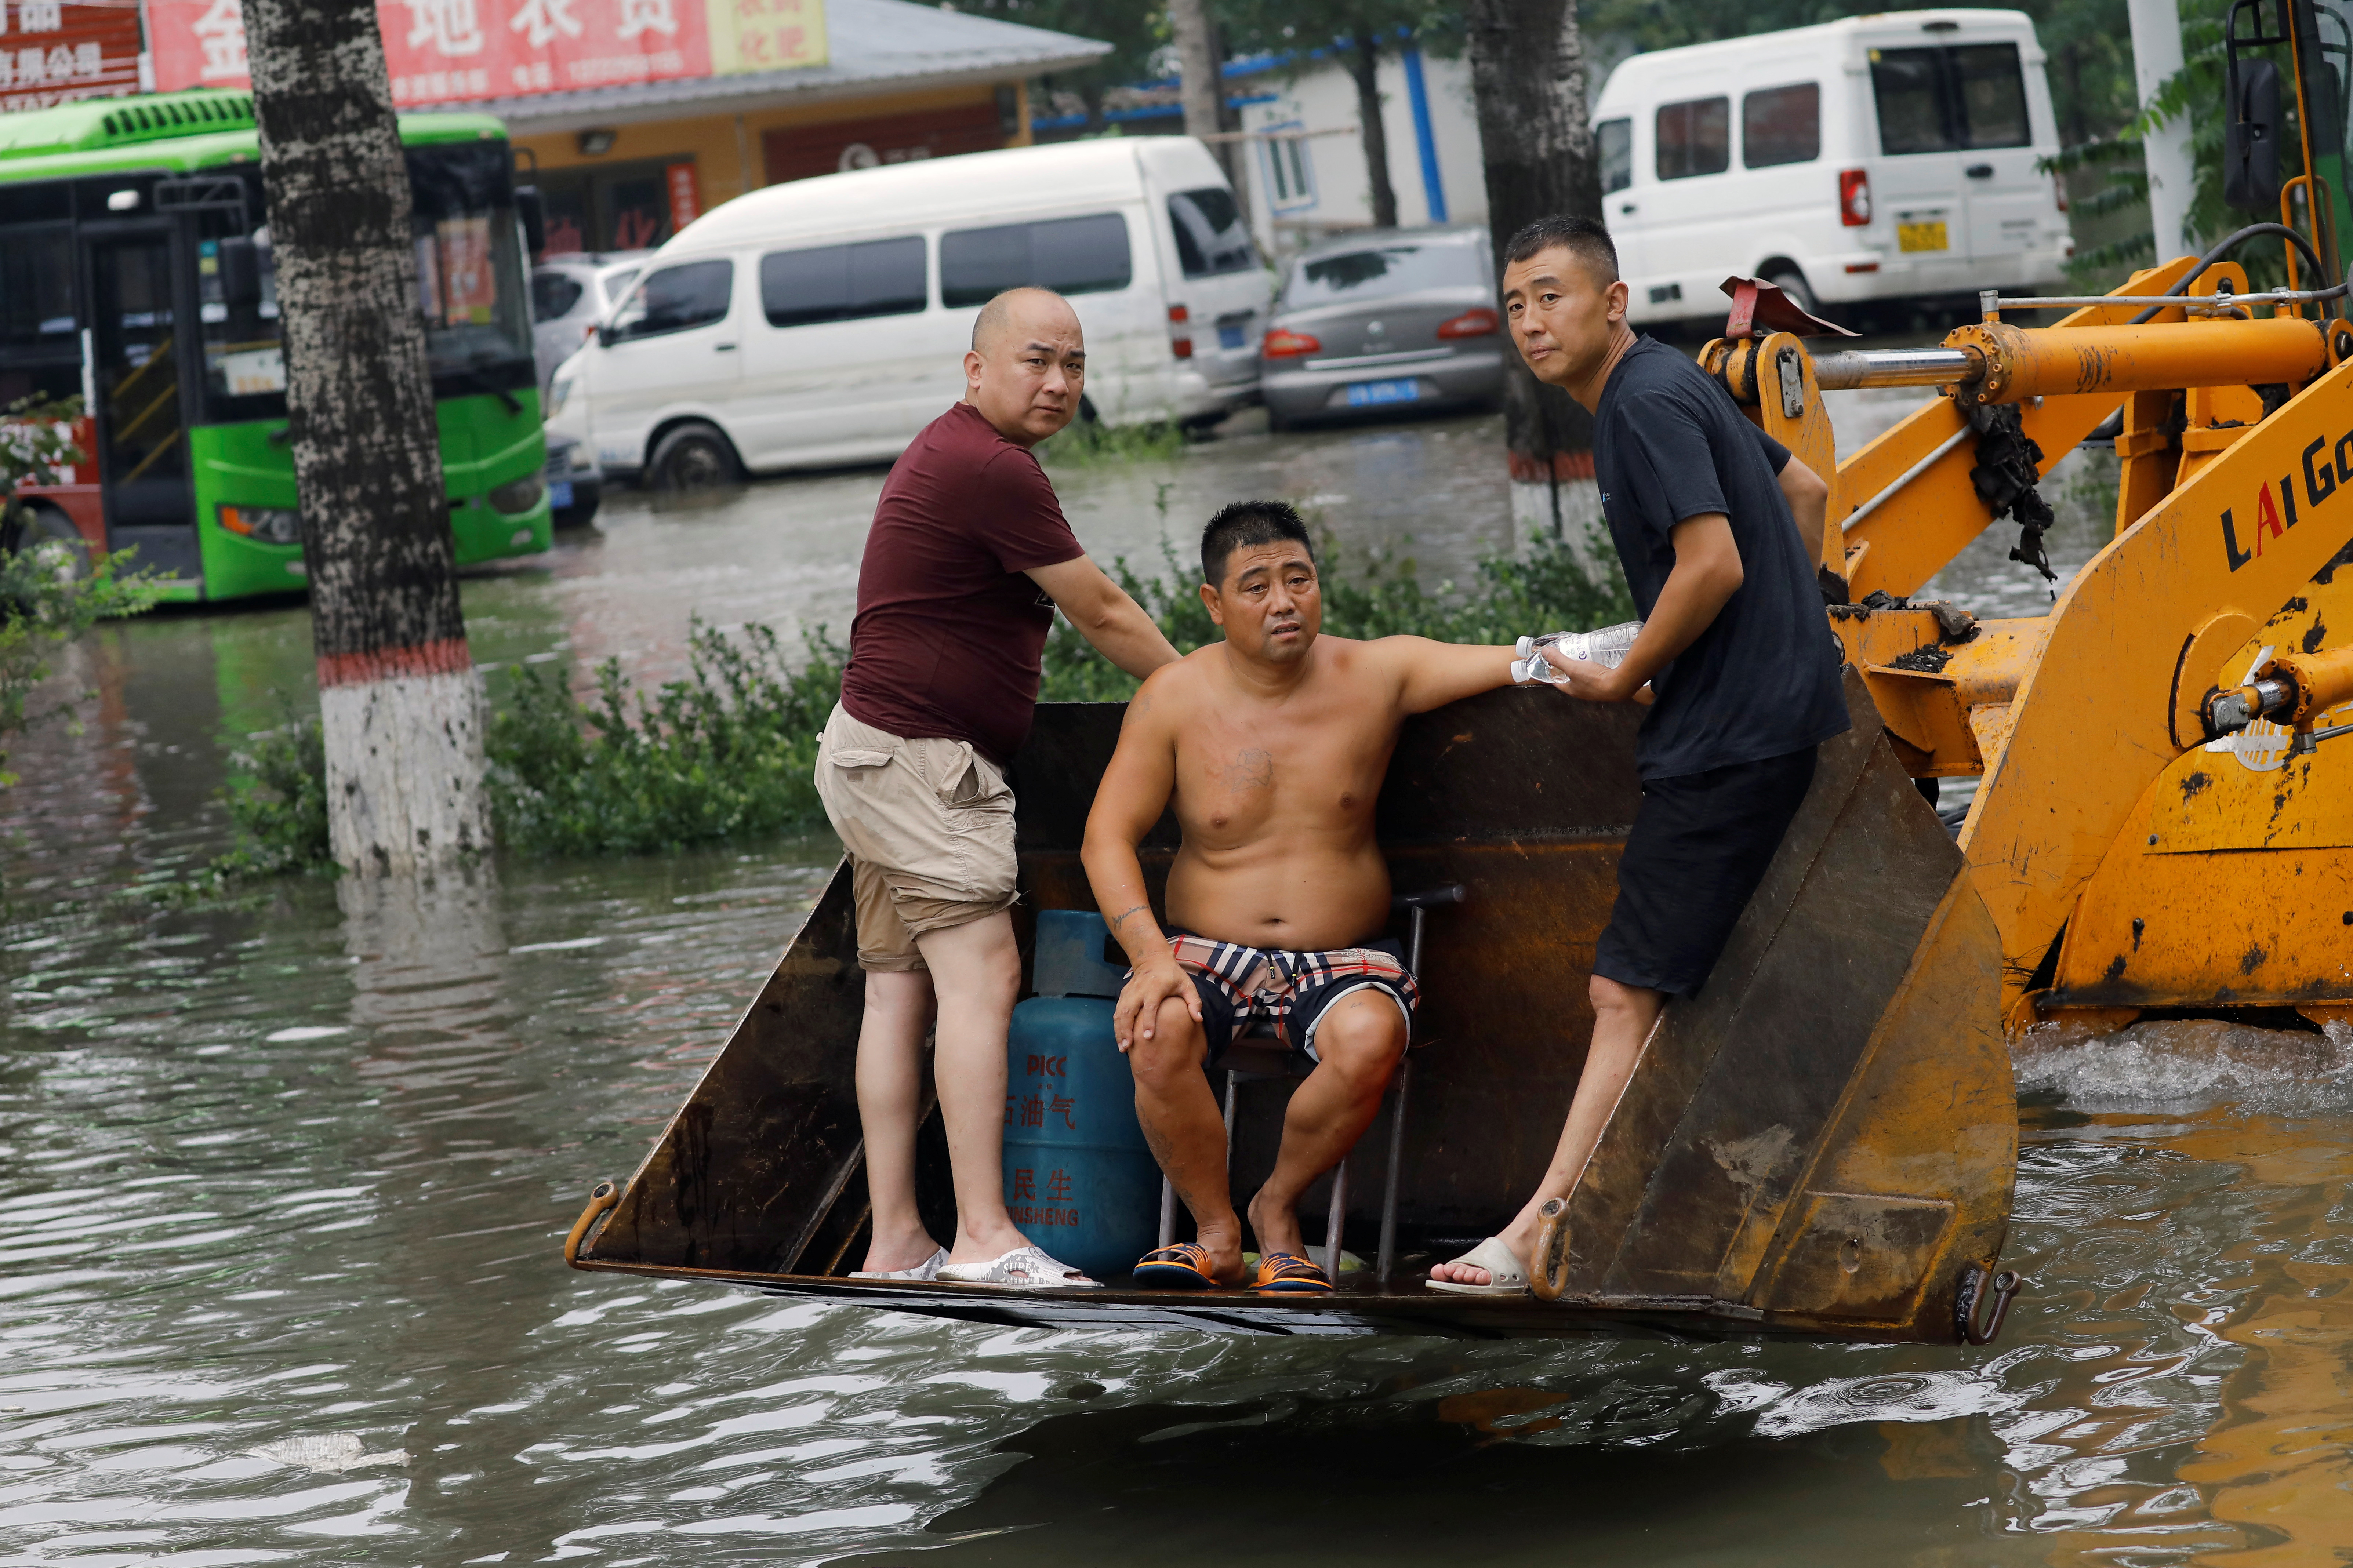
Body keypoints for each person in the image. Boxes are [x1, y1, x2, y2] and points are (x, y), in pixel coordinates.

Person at [1427, 215, 1848, 1295]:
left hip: (1723, 743)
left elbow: (1708, 567)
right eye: (1515, 301)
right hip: (1763, 718)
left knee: (1622, 992)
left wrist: (1626, 675)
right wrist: (1790, 649)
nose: (1531, 320)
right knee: (1661, 987)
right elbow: (1802, 492)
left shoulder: (1641, 402)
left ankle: (1539, 1231)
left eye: (1553, 295)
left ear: (1612, 303)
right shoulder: (1668, 381)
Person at [816, 287, 1182, 1290]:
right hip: (923, 765)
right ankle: (982, 1238)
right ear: (975, 370)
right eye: (1036, 360)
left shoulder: (955, 451)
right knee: (980, 983)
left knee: (900, 993)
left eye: (1073, 364)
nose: (1058, 382)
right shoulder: (991, 465)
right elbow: (1103, 612)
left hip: (870, 753)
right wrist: (1204, 696)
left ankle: (896, 1241)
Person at [1082, 501, 1522, 1293]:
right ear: (1214, 605)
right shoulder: (1173, 696)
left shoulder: (1379, 672)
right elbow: (1103, 838)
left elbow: (1521, 661)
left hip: (1341, 955)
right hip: (1203, 949)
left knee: (1369, 1037)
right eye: (1256, 586)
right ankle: (1214, 1233)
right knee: (1153, 1029)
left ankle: (1275, 1211)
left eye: (1299, 580)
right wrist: (1148, 957)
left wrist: (1632, 667)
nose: (1283, 601)